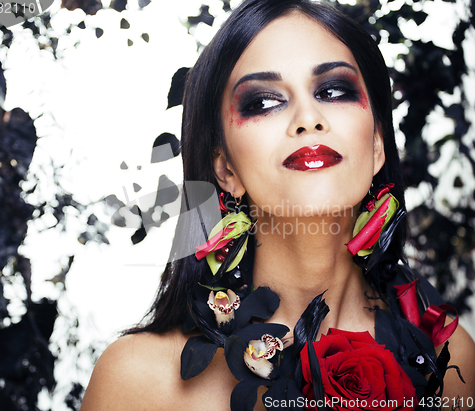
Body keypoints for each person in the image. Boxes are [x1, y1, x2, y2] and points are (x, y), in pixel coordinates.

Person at [80, 1, 475, 410]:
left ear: (376, 144)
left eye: (333, 91)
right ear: (225, 168)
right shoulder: (136, 380)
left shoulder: (449, 360)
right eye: (264, 102)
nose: (308, 117)